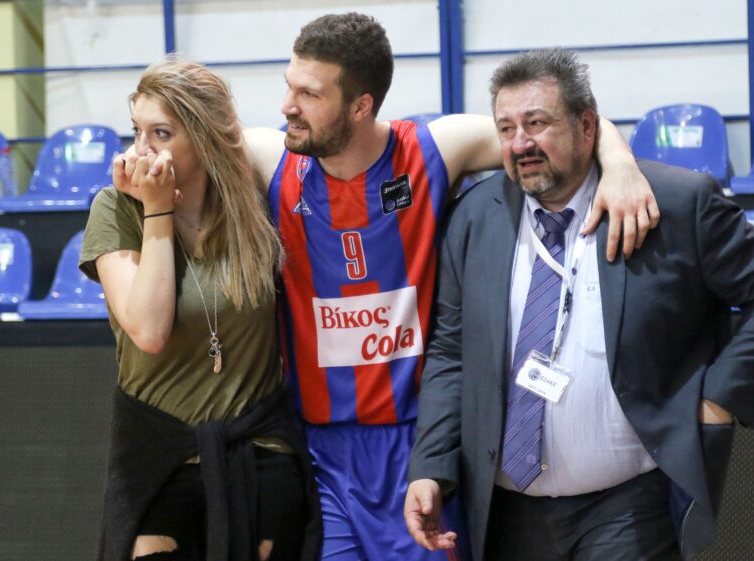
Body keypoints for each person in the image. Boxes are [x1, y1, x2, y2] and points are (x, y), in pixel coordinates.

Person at [119, 13, 658, 561]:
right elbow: (187, 134)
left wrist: (620, 165)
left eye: (309, 94)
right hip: (319, 452)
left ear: (361, 106)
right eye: (289, 86)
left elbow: (556, 130)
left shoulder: (434, 149)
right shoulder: (271, 157)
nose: (287, 106)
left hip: (419, 447)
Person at [405, 47, 754, 561]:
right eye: (506, 128)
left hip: (630, 503)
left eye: (537, 123)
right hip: (507, 511)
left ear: (587, 126)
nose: (520, 143)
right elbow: (451, 352)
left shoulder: (675, 204)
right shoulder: (474, 218)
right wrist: (430, 465)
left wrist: (720, 397)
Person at [80, 58, 321, 561]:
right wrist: (157, 209)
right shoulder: (115, 208)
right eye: (137, 130)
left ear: (206, 139)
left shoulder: (255, 201)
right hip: (158, 451)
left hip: (258, 446)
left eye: (161, 133)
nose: (140, 150)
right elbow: (149, 330)